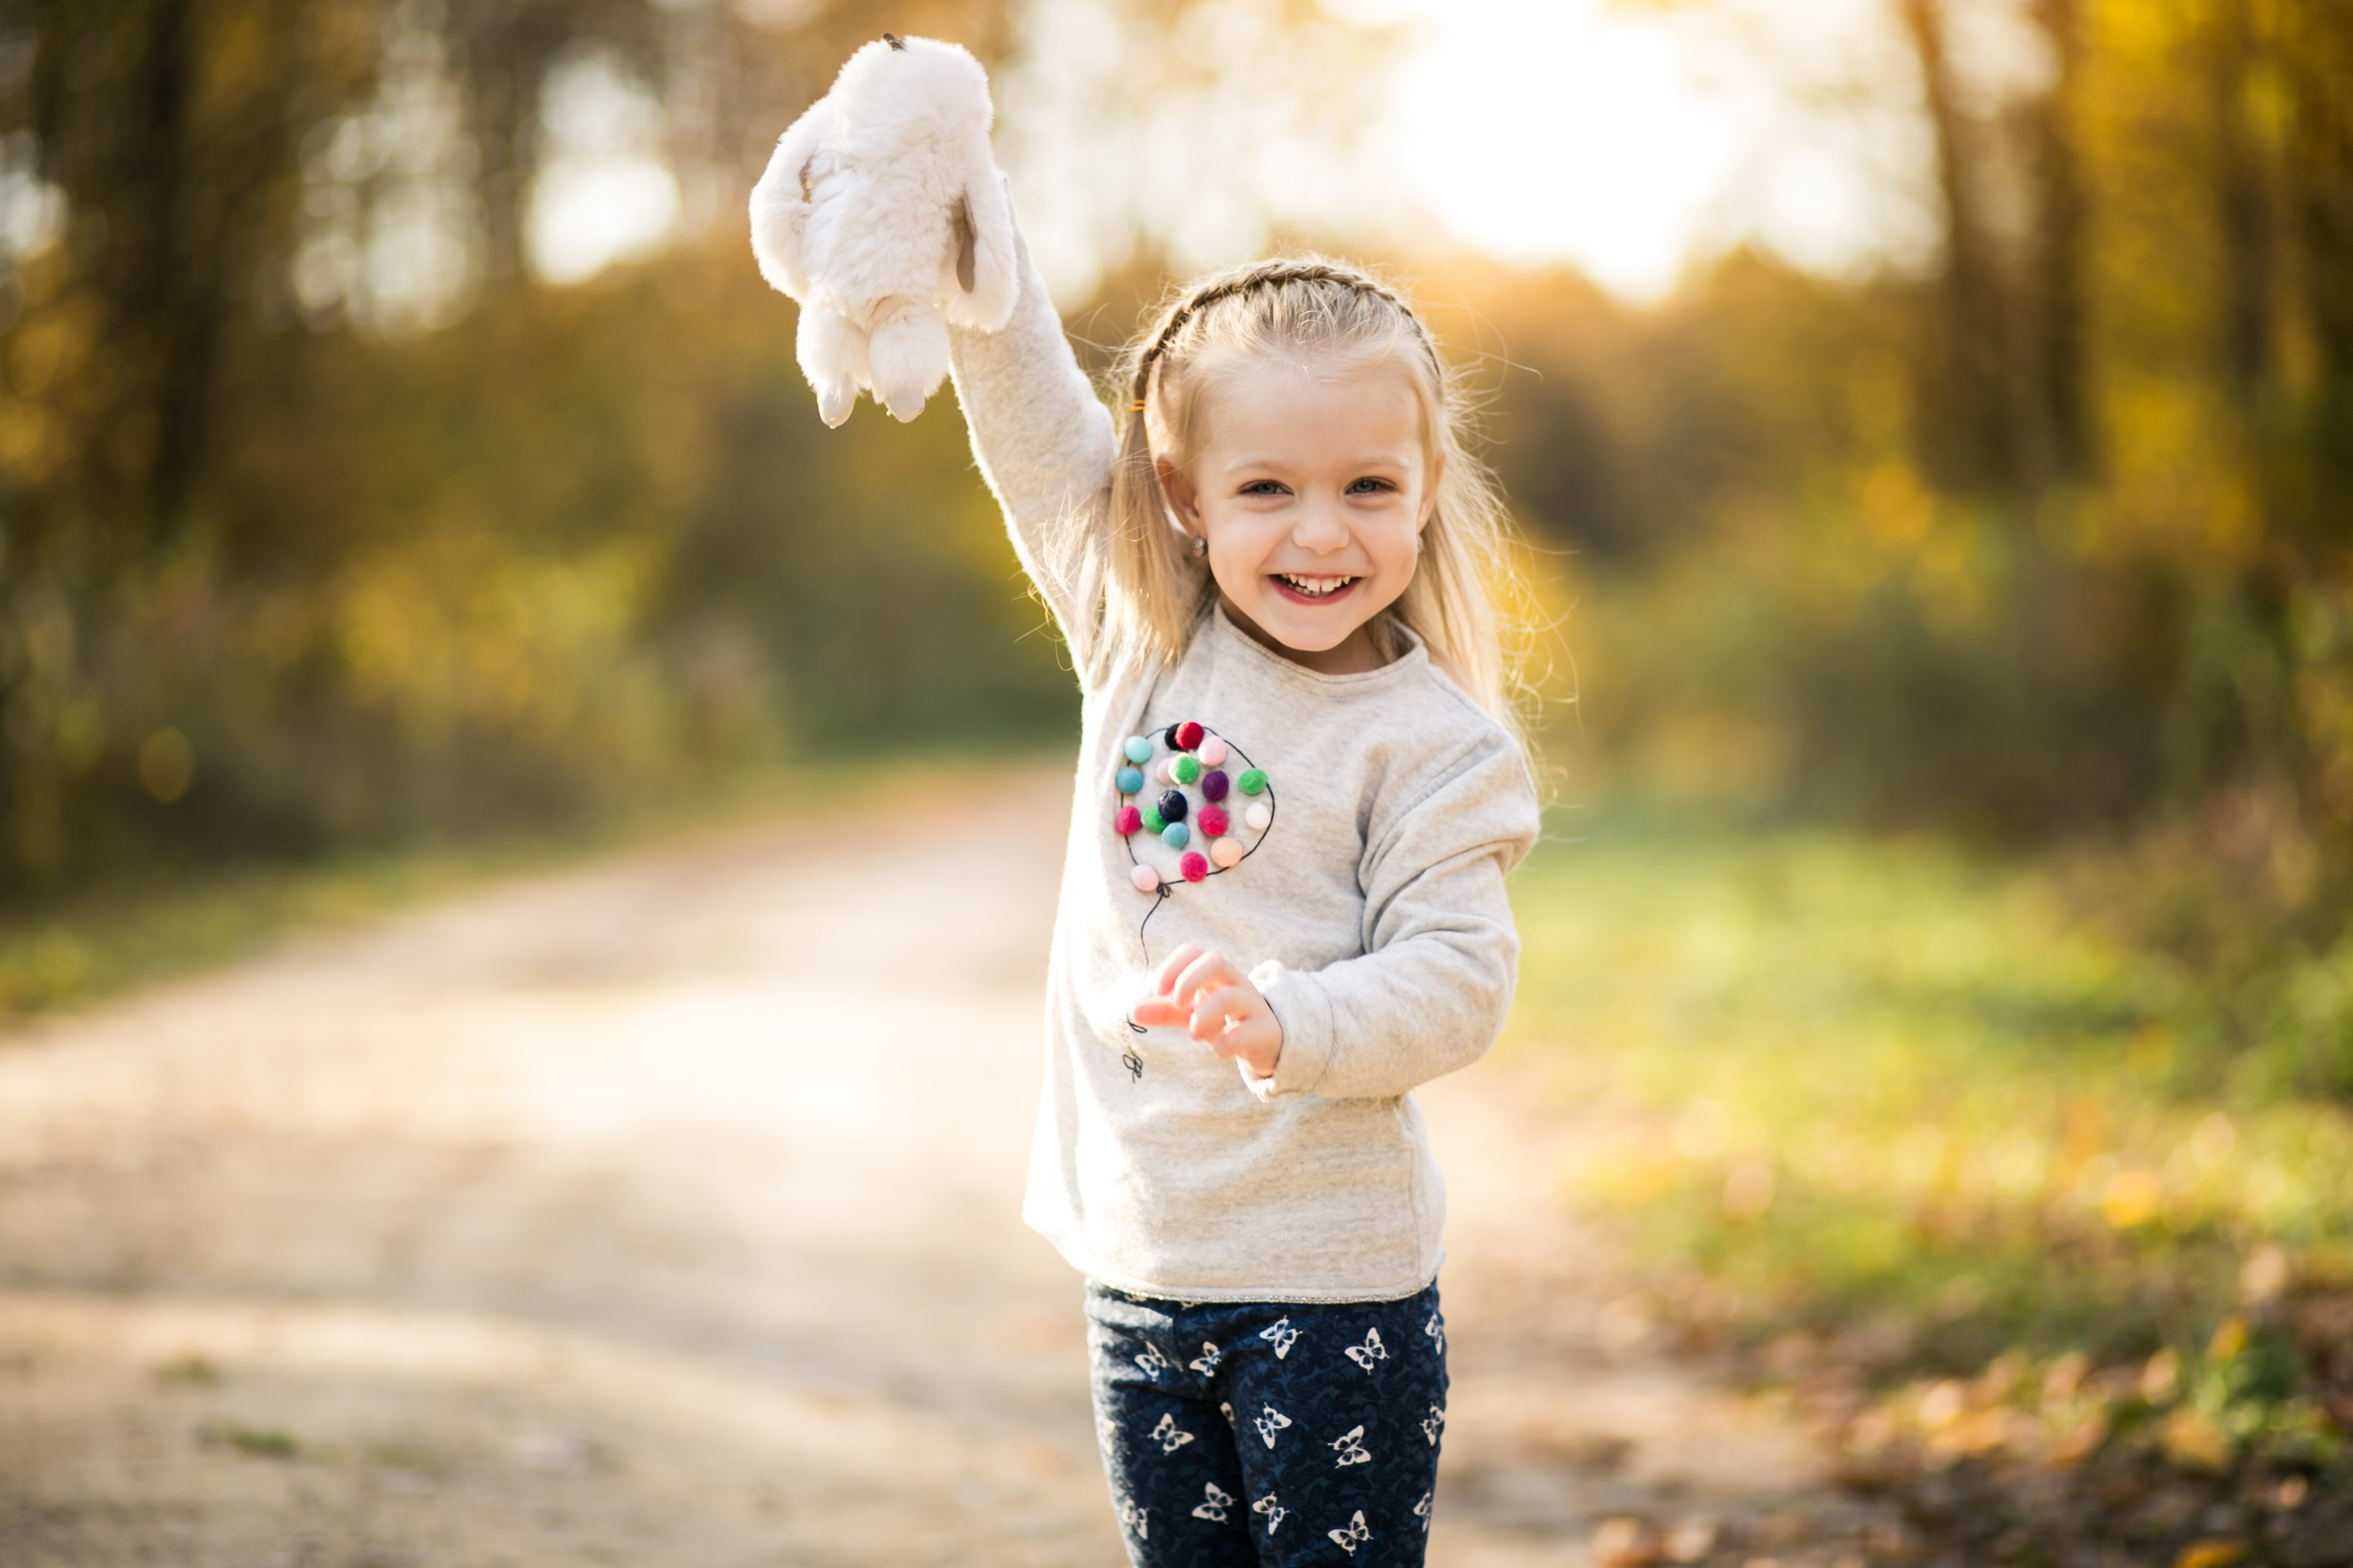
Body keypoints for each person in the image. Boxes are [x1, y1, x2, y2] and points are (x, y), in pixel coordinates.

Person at [927, 209, 1545, 1565]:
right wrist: (961, 211)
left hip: (1330, 1296)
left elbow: (1458, 979)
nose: (1319, 532)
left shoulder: (1435, 746)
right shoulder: (1137, 639)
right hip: (1139, 1272)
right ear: (1183, 493)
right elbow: (1031, 416)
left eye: (1367, 488)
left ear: (1426, 485)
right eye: (1266, 488)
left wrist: (1289, 1024)